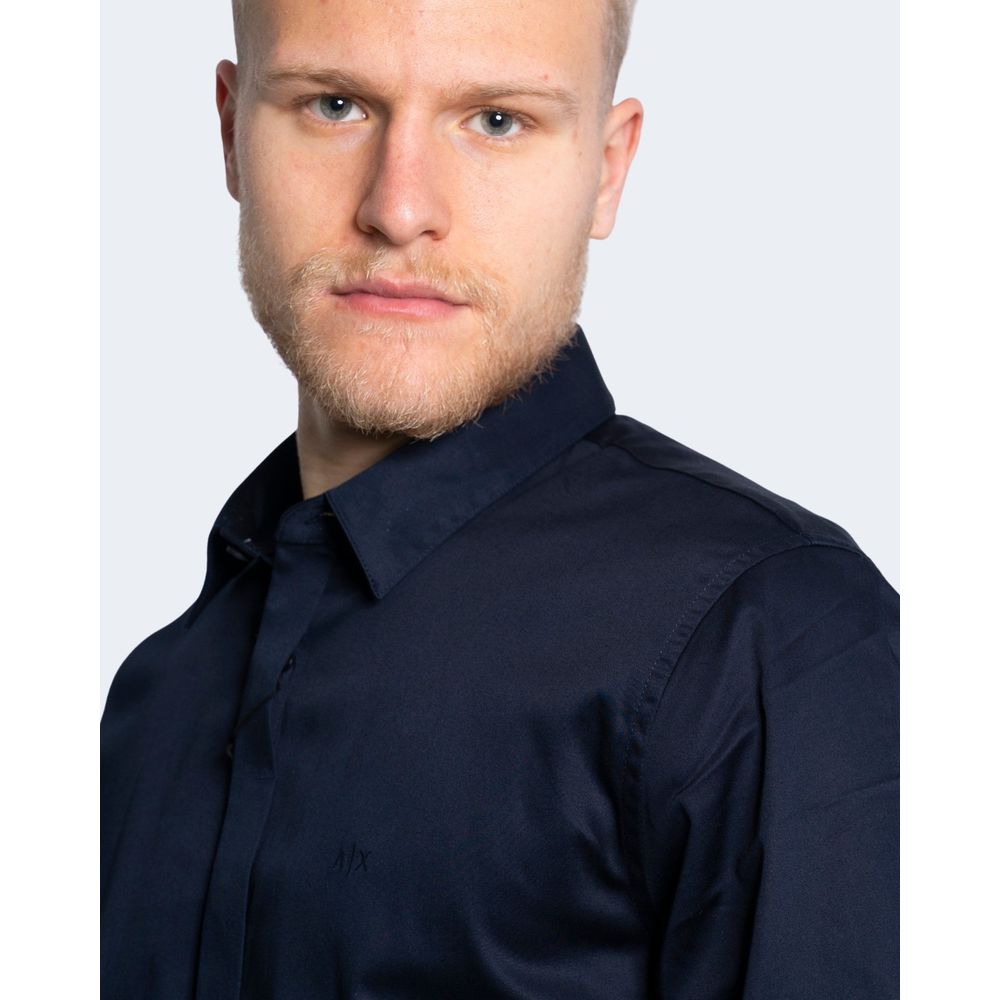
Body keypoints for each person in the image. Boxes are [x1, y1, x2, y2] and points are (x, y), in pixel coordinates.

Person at [101, 0, 899, 997]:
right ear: (230, 132)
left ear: (606, 169)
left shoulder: (777, 641)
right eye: (335, 104)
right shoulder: (156, 697)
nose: (399, 208)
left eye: (496, 120)